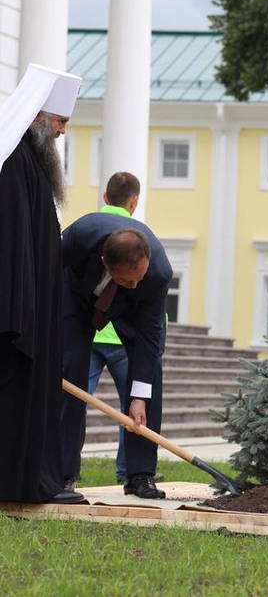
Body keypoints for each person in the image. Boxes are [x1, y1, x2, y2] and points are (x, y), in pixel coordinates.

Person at [0, 63, 84, 504]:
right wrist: (22, 314)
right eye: (60, 123)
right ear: (37, 119)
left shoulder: (29, 163)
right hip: (18, 312)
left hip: (31, 307)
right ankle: (22, 483)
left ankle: (29, 480)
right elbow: (13, 245)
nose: (62, 133)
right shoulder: (14, 163)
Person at [61, 219, 172, 499]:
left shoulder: (156, 274)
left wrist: (138, 396)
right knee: (69, 367)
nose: (134, 284)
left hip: (133, 311)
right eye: (127, 280)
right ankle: (61, 473)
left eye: (138, 278)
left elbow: (148, 338)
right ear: (105, 263)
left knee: (149, 375)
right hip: (75, 295)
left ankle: (140, 475)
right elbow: (44, 276)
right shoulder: (78, 239)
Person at [84, 172, 141, 484]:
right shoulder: (140, 236)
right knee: (132, 409)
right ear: (134, 201)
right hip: (122, 338)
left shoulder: (86, 228)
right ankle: (128, 472)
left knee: (76, 404)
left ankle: (66, 469)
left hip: (89, 333)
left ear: (105, 197)